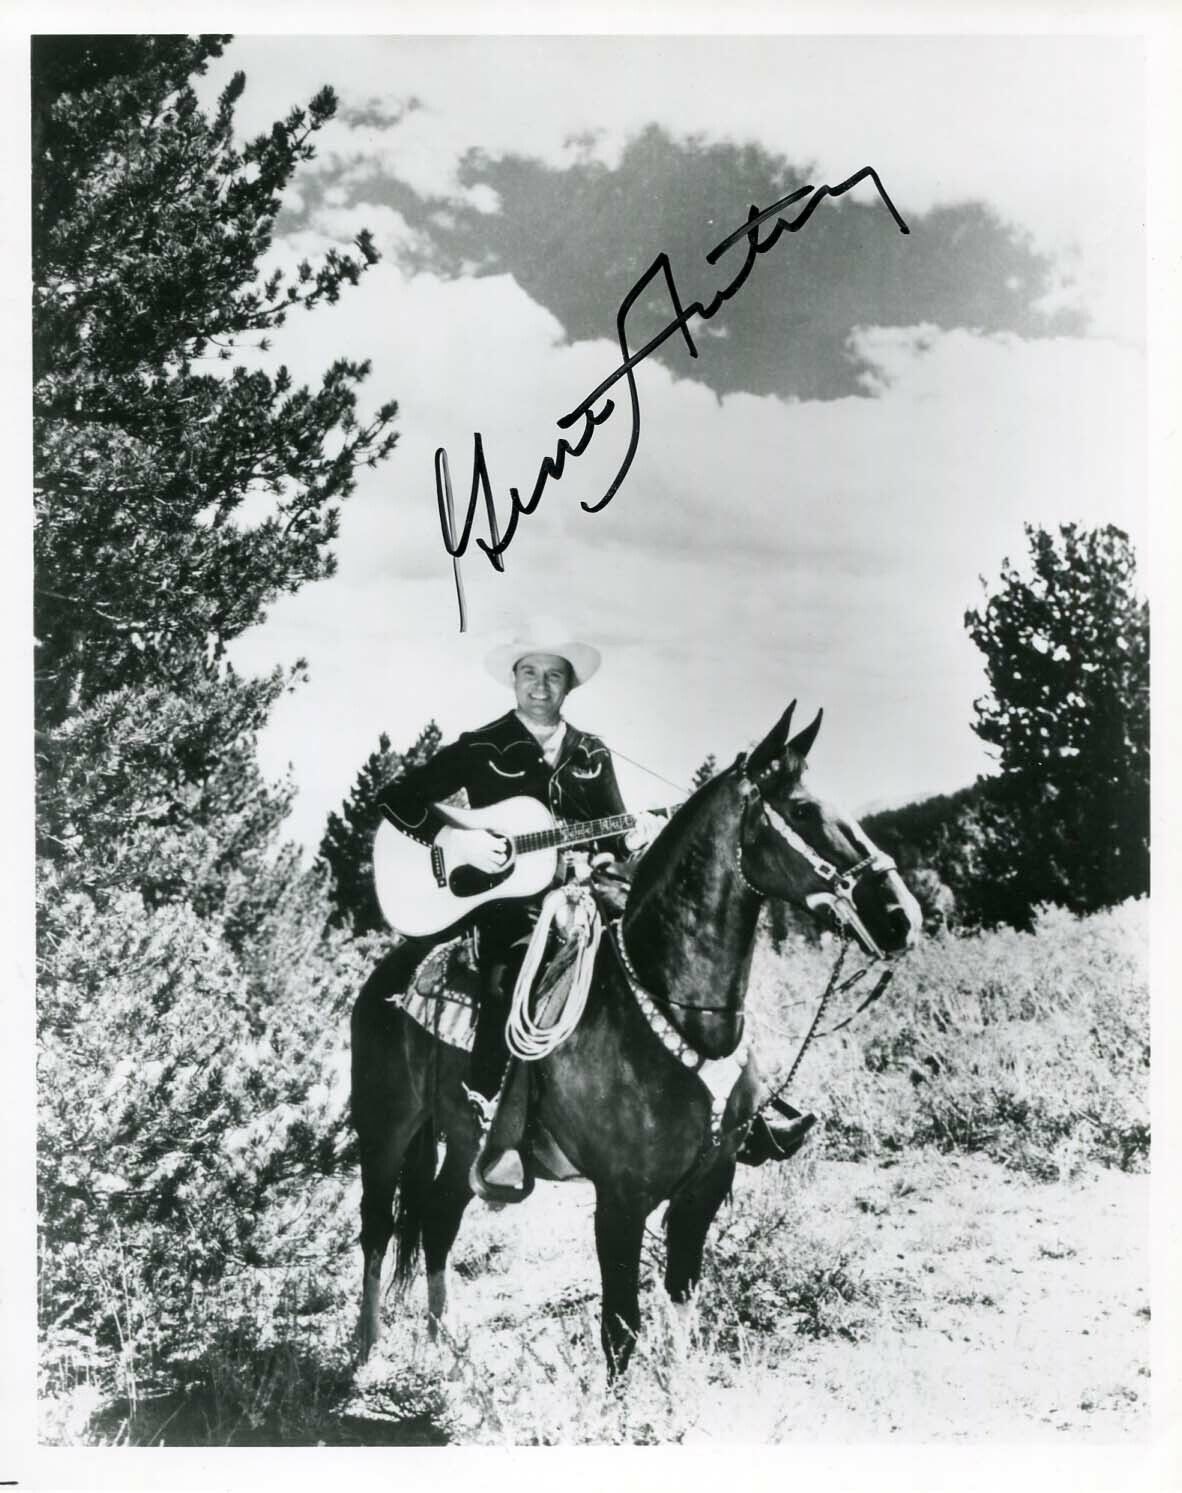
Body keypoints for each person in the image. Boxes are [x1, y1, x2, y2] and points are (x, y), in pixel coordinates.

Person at [376, 621, 813, 1200]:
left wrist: (634, 842)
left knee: (676, 962)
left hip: (585, 896)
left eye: (552, 676)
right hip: (507, 908)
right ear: (514, 680)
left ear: (568, 686)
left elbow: (615, 840)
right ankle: (497, 1125)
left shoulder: (591, 753)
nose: (540, 685)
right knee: (511, 983)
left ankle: (746, 1109)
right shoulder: (479, 747)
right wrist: (455, 841)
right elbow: (396, 798)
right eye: (529, 673)